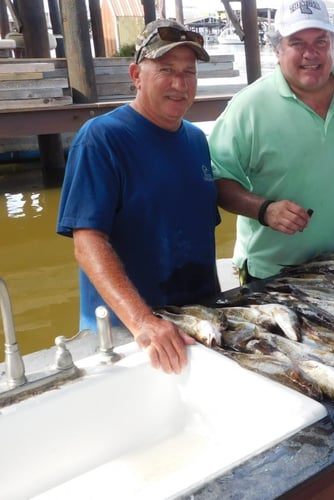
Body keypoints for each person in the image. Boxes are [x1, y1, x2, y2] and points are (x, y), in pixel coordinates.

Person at [57, 19, 221, 373]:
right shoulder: (100, 139)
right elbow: (87, 243)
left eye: (189, 72)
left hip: (197, 323)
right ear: (136, 74)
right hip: (129, 334)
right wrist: (142, 321)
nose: (180, 84)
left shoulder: (196, 140)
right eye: (166, 70)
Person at [208, 0, 334, 283]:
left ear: (333, 43)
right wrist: (264, 210)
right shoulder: (248, 106)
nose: (311, 53)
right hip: (273, 271)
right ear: (277, 49)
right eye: (297, 42)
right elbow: (218, 180)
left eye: (321, 41)